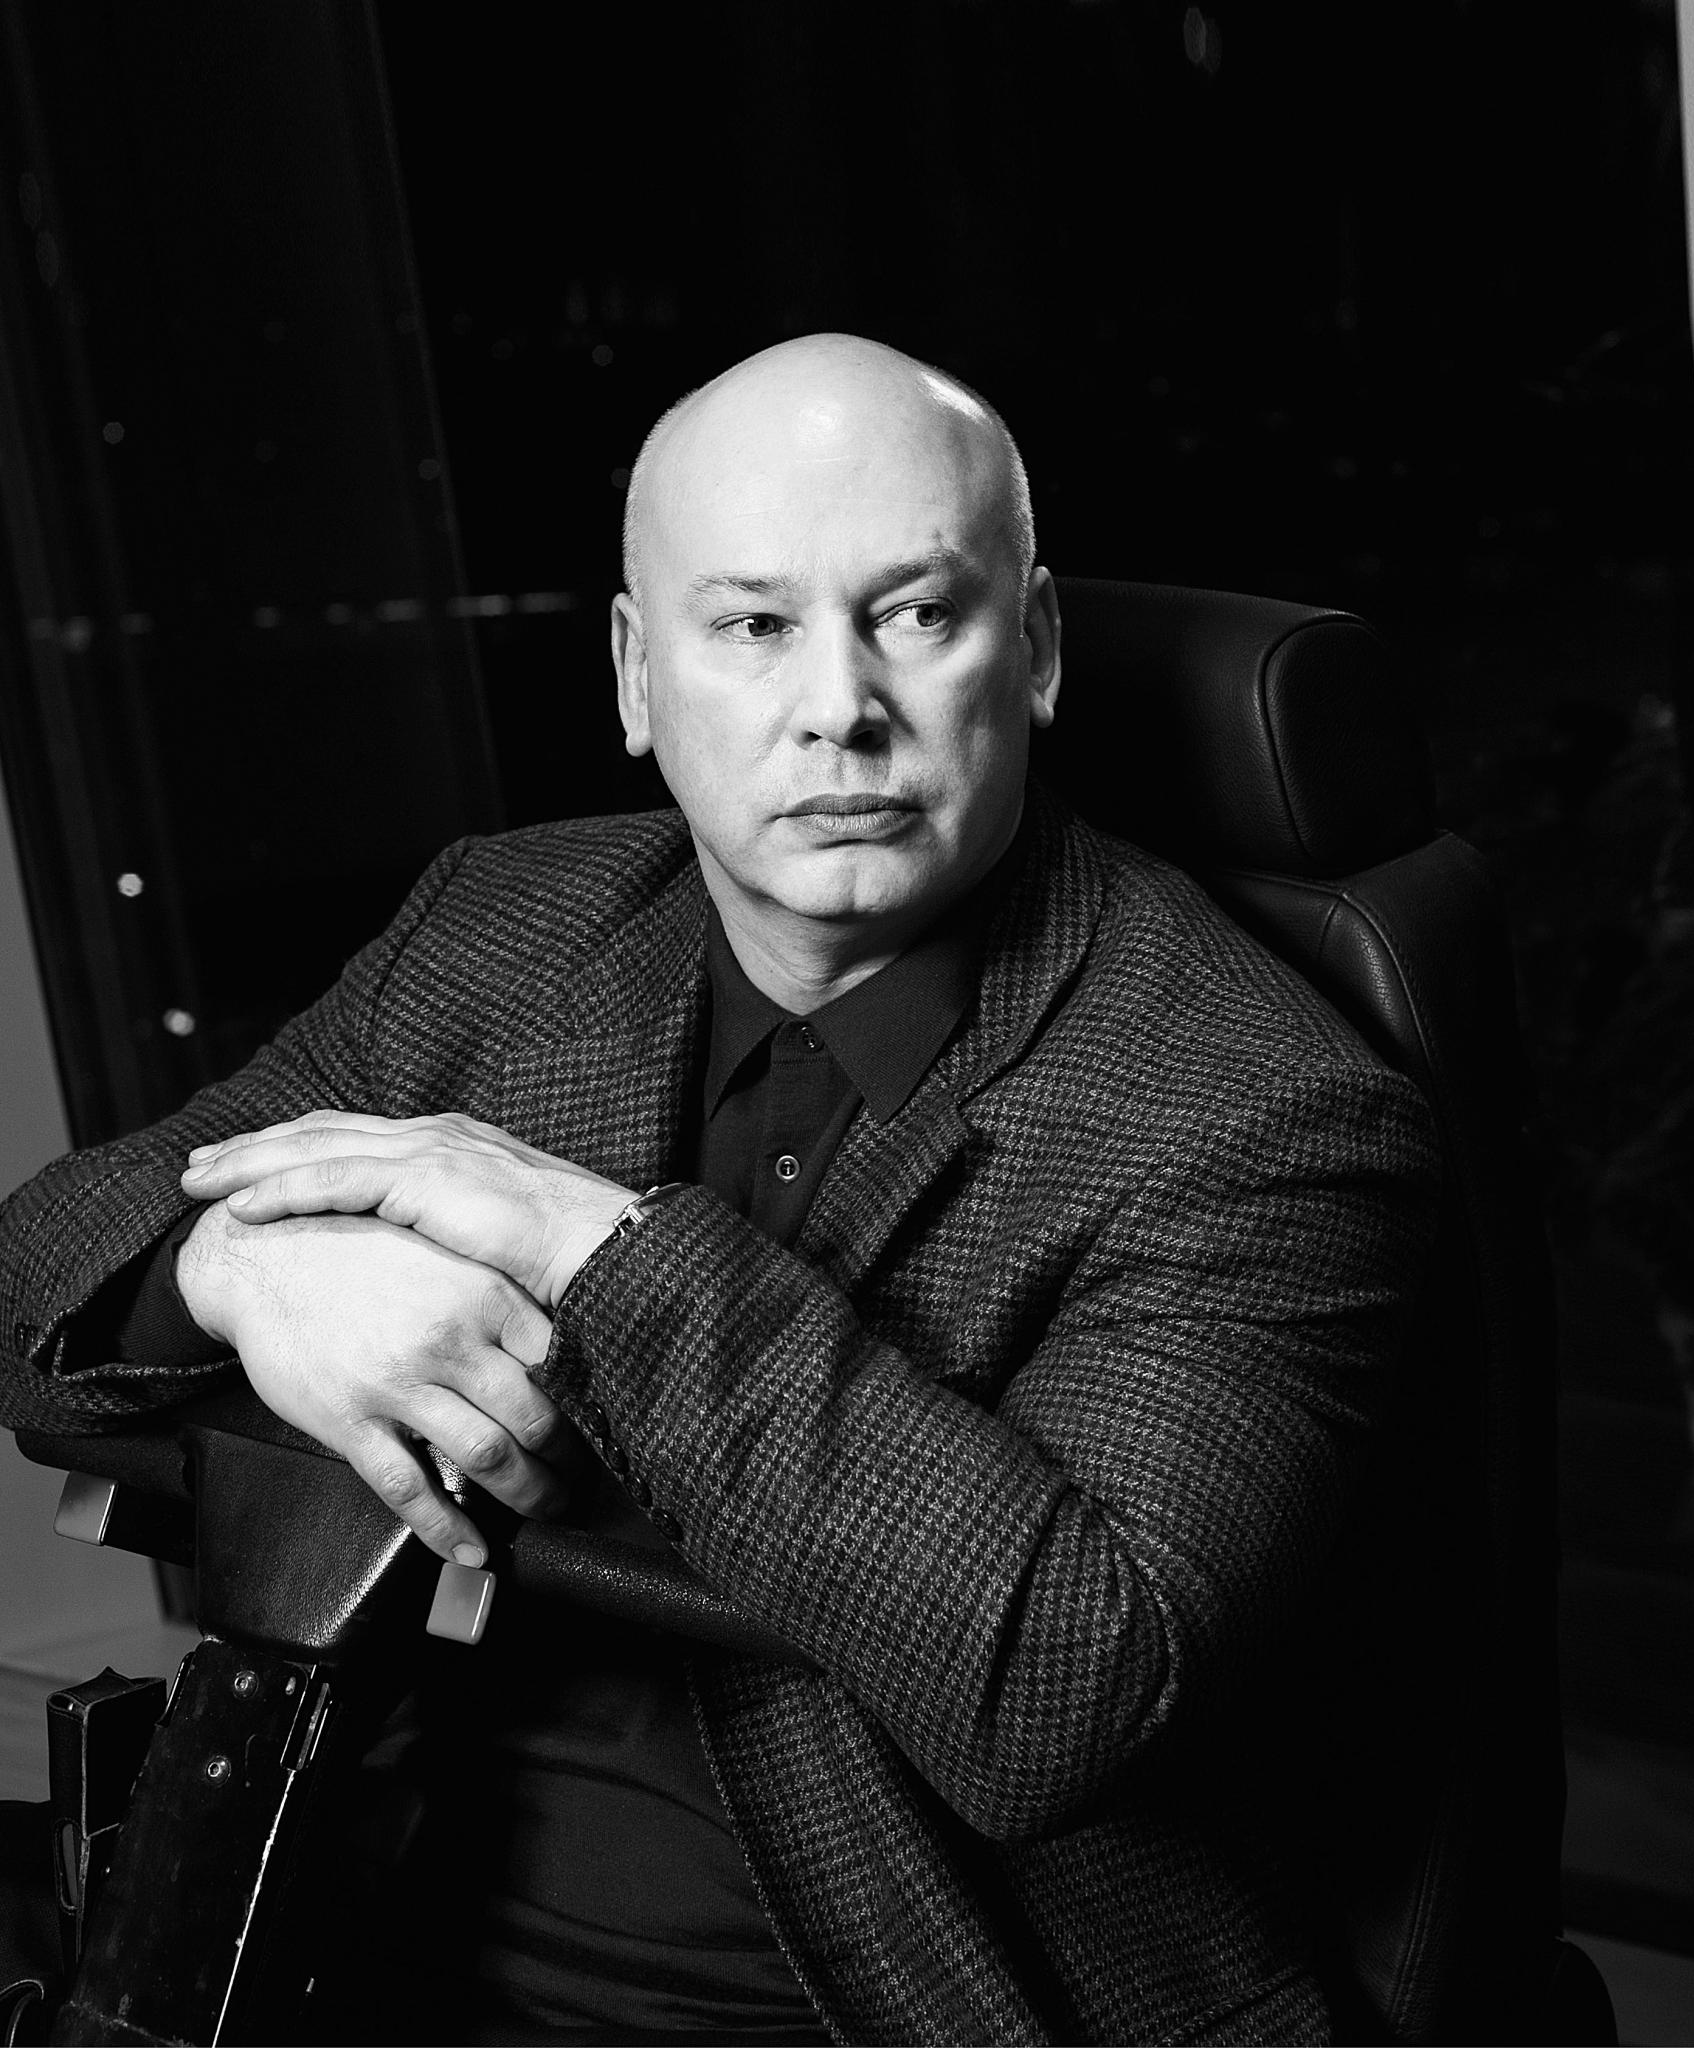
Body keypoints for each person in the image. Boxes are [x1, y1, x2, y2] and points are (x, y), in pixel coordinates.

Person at [0, 334, 1437, 2045]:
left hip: (897, 1997)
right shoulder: (505, 929)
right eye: (753, 625)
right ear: (636, 675)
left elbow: (1068, 1690)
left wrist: (588, 1246)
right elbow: (33, 1276)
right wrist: (236, 1267)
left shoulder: (1249, 1101)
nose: (839, 706)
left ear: (1036, 649)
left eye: (918, 612)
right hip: (360, 1919)